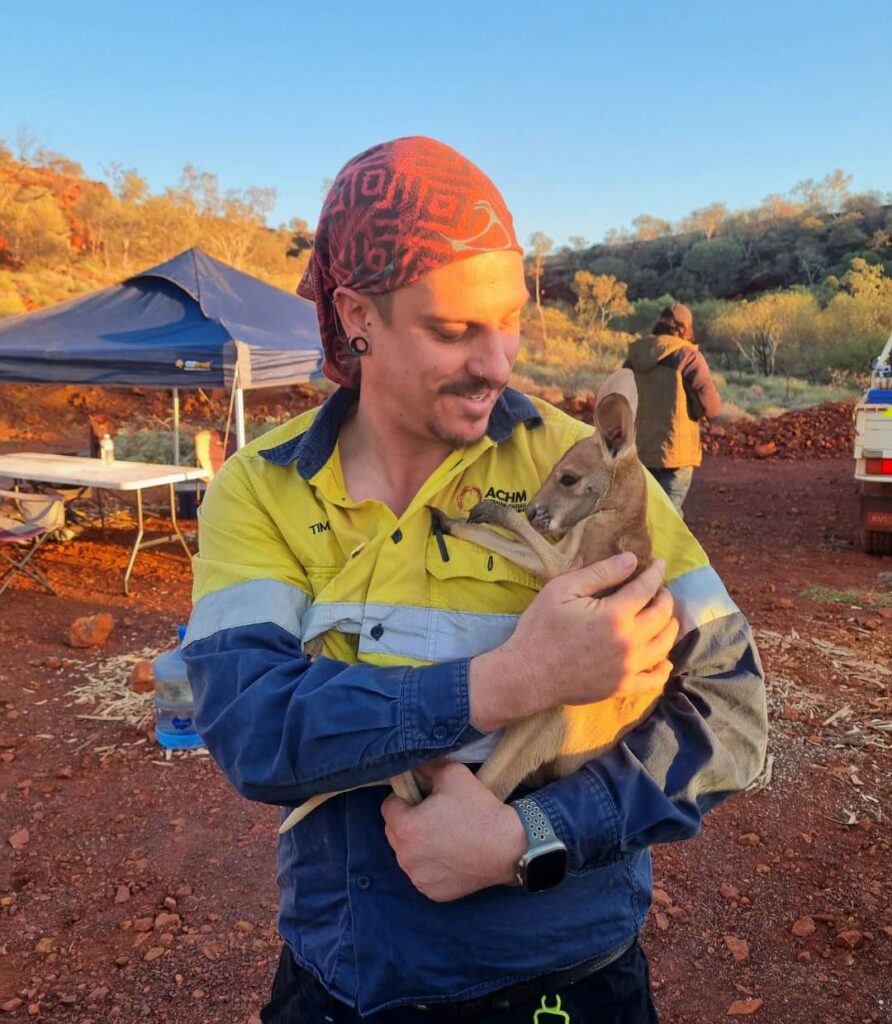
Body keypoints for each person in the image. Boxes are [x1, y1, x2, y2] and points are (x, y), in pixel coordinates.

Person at [182, 137, 766, 1023]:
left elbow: (730, 712)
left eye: (511, 323)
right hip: (349, 984)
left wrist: (530, 837)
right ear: (357, 316)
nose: (498, 365)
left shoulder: (583, 464)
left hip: (572, 980)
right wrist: (509, 682)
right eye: (455, 330)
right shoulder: (261, 489)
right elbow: (253, 729)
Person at [624, 304, 722, 514]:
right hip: (676, 451)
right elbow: (711, 408)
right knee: (670, 516)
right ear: (686, 327)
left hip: (640, 449)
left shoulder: (634, 357)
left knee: (645, 514)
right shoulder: (688, 356)